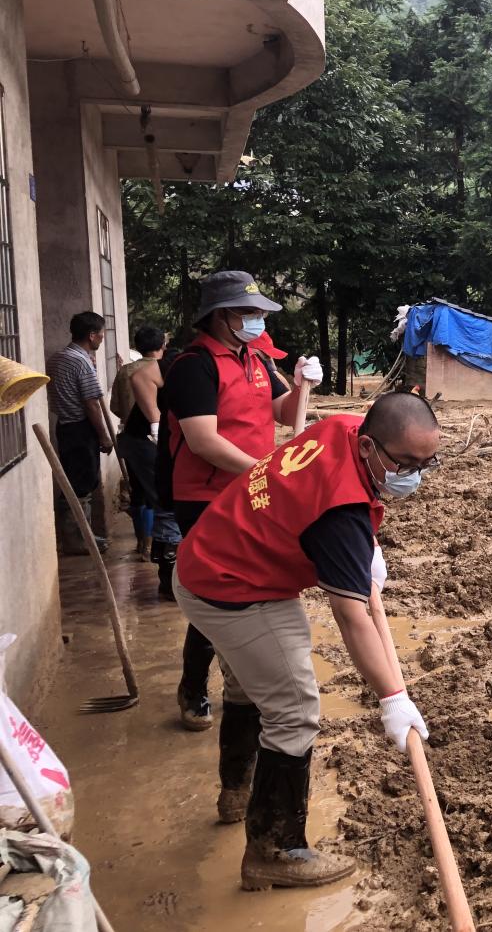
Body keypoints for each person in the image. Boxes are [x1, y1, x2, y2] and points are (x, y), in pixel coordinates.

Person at [174, 392, 437, 890]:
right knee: (294, 708)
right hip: (234, 585)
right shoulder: (340, 516)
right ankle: (276, 850)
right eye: (404, 463)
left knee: (254, 682)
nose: (414, 475)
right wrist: (393, 698)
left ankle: (237, 791)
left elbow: (350, 493)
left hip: (211, 555)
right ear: (368, 447)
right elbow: (351, 615)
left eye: (427, 462)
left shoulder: (342, 427)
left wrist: (369, 549)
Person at [159, 271, 323, 731]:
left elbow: (283, 412)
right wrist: (262, 468)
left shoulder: (254, 358)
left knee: (244, 587)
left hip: (252, 489)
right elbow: (203, 441)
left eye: (258, 312)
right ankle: (193, 686)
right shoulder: (193, 365)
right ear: (219, 316)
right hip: (206, 495)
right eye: (246, 312)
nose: (255, 320)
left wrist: (300, 385)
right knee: (214, 589)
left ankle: (238, 675)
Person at [46, 312, 114, 554]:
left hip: (65, 426)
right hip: (80, 428)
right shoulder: (80, 361)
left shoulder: (59, 357)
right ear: (92, 335)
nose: (103, 339)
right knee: (82, 484)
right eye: (102, 335)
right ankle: (77, 541)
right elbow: (91, 403)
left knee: (75, 481)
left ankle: (81, 536)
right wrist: (104, 435)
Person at [112, 325, 166, 560]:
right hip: (151, 439)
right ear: (161, 346)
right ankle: (154, 545)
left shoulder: (125, 371)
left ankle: (142, 542)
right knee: (158, 492)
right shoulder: (160, 370)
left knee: (138, 491)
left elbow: (115, 406)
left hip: (130, 438)